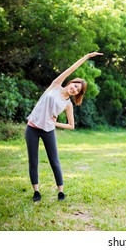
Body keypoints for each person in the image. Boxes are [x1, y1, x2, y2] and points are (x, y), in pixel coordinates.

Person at [25, 52, 103, 202]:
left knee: (54, 161)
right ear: (70, 83)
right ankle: (36, 192)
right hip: (32, 128)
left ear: (77, 94)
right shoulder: (55, 86)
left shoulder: (68, 105)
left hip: (48, 130)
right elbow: (72, 68)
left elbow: (71, 125)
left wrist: (54, 123)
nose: (74, 89)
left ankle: (61, 192)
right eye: (75, 86)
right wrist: (87, 57)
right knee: (33, 161)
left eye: (78, 90)